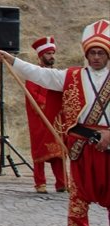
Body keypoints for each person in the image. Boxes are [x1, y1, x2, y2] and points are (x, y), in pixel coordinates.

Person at [0, 19, 110, 226]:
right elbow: (42, 75)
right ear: (86, 54)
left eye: (101, 53)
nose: (96, 57)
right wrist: (13, 61)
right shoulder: (72, 77)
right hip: (83, 144)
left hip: (109, 144)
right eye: (92, 52)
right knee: (79, 194)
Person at [24, 36, 67, 193]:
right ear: (41, 56)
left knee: (58, 151)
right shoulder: (33, 75)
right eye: (48, 54)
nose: (51, 57)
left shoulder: (56, 74)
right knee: (40, 151)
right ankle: (40, 183)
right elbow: (34, 96)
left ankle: (62, 182)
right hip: (40, 119)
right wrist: (50, 106)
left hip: (55, 119)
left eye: (52, 53)